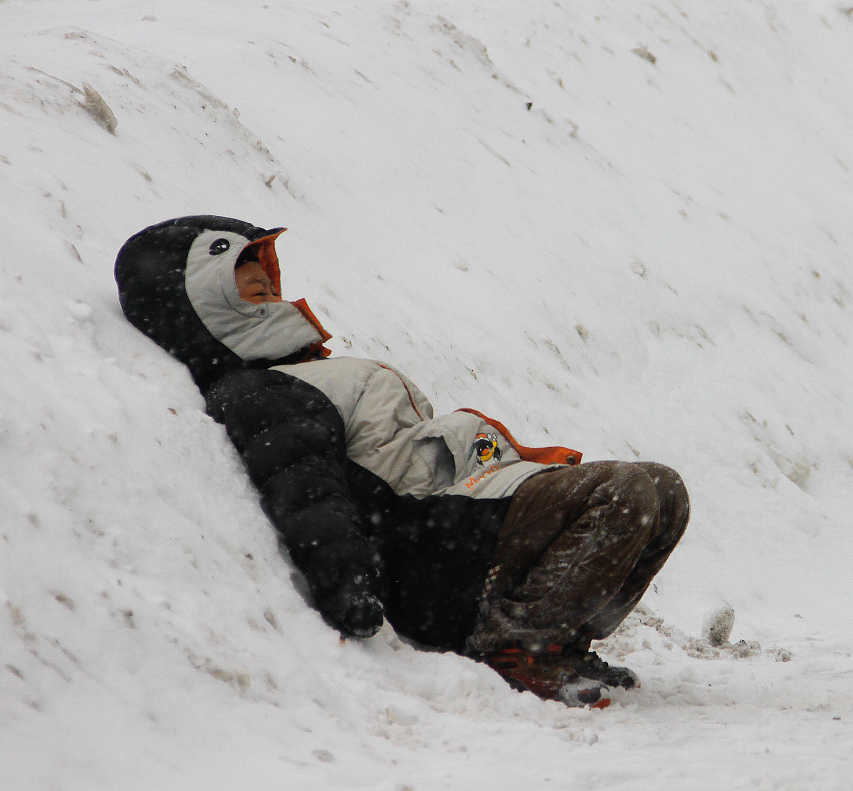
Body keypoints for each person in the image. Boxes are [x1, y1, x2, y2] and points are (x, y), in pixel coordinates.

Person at [114, 215, 689, 707]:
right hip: (437, 542)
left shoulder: (306, 372)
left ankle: (560, 642)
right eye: (255, 293)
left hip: (465, 518)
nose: (276, 297)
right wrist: (345, 581)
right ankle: (515, 646)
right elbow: (304, 488)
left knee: (663, 491)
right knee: (624, 493)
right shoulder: (262, 391)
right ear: (207, 314)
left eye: (270, 286)